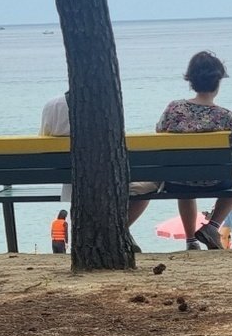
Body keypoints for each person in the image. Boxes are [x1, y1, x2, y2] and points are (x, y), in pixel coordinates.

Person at [157, 52, 232, 250]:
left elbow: (159, 133)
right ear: (218, 82)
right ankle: (212, 225)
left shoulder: (173, 109)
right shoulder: (224, 116)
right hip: (215, 181)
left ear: (190, 81)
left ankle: (191, 241)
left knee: (185, 176)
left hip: (177, 181)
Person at [40, 91, 156, 246]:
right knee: (149, 185)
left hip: (71, 180)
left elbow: (44, 142)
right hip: (109, 178)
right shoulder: (107, 105)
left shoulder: (53, 106)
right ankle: (118, 233)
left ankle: (107, 235)